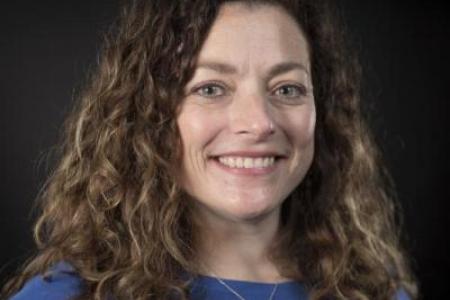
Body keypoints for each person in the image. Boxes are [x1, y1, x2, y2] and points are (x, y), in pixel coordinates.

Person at [2, 0, 418, 299]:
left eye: (287, 88)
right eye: (211, 88)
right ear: (149, 115)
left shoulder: (374, 291)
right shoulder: (72, 295)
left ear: (321, 112)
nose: (258, 123)